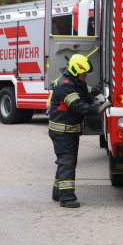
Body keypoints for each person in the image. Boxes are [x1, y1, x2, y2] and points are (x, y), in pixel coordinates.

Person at [48, 54, 111, 208]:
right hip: (63, 132)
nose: (86, 76)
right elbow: (77, 105)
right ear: (76, 71)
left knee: (65, 162)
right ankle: (67, 198)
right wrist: (98, 108)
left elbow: (84, 94)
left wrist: (94, 92)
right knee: (67, 163)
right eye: (84, 73)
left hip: (69, 131)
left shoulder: (75, 82)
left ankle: (58, 193)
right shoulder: (65, 84)